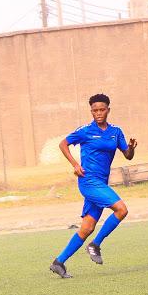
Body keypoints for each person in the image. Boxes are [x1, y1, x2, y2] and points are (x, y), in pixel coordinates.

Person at [50, 93, 137, 278]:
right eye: (95, 110)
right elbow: (63, 144)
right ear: (91, 111)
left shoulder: (116, 132)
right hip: (88, 182)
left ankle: (59, 262)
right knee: (122, 209)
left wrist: (131, 148)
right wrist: (75, 164)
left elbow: (127, 155)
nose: (98, 113)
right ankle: (95, 244)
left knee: (87, 227)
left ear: (108, 110)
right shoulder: (85, 130)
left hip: (101, 183)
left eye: (102, 110)